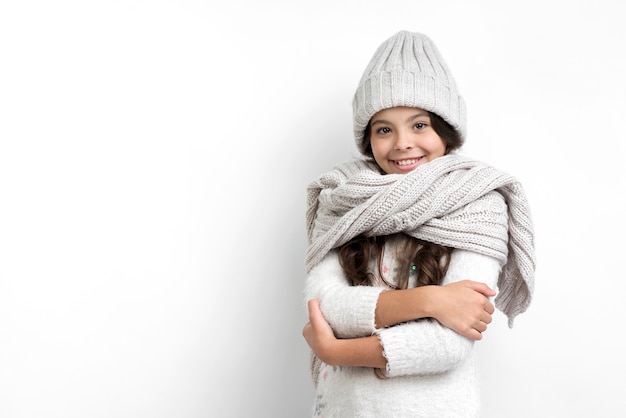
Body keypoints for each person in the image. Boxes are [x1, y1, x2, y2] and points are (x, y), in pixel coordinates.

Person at [301, 30, 536, 417]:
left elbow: (447, 345)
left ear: (445, 128)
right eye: (384, 129)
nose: (402, 143)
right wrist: (430, 301)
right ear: (368, 138)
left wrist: (334, 350)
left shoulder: (478, 203)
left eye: (419, 125)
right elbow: (326, 308)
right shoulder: (342, 199)